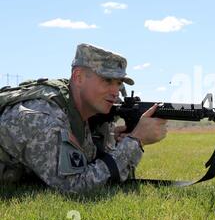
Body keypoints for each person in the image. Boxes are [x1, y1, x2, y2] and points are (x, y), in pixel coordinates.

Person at [0, 44, 167, 193]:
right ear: (78, 77)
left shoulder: (84, 113)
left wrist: (117, 144)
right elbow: (75, 185)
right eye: (107, 80)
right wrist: (135, 141)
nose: (115, 91)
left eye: (119, 83)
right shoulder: (41, 118)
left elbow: (96, 168)